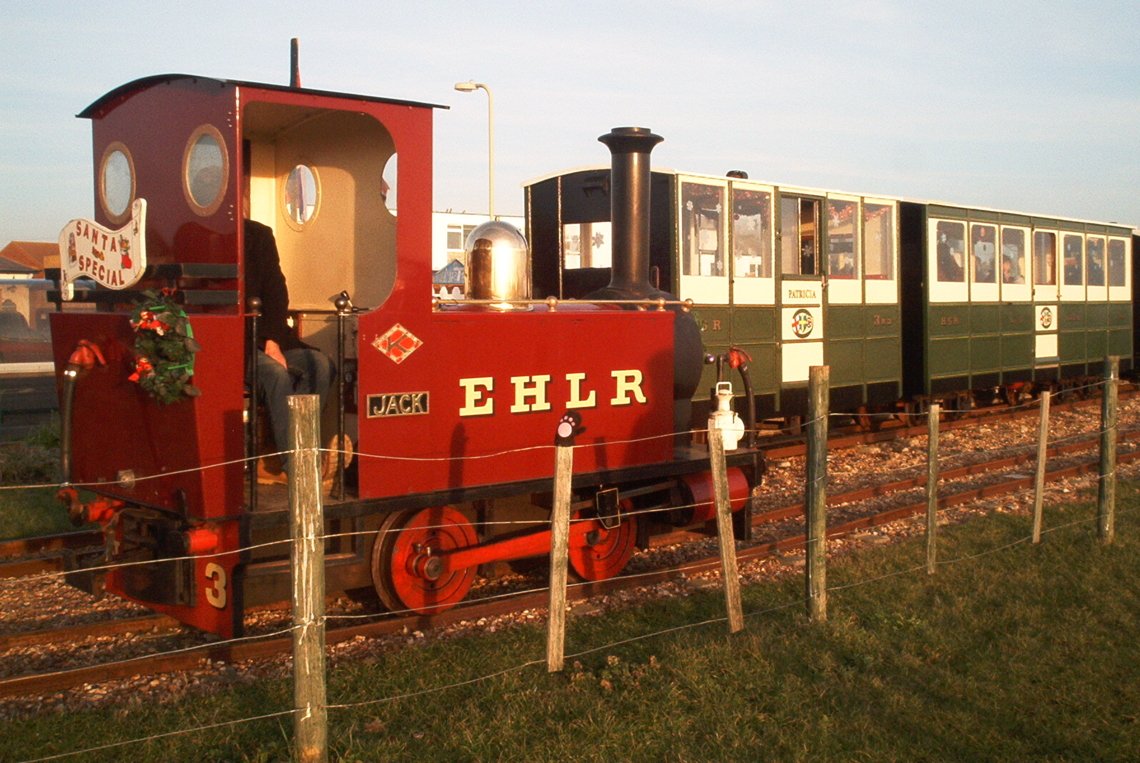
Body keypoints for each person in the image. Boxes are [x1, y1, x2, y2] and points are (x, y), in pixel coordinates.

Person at [244, 218, 334, 478]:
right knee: (275, 374)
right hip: (234, 346)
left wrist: (272, 341)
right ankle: (297, 469)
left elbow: (276, 291)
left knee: (320, 366)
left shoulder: (258, 234)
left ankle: (287, 453)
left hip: (266, 336)